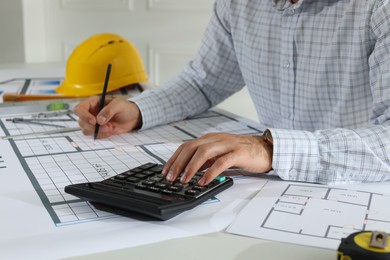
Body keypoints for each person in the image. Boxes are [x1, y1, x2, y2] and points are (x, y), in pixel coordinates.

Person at [74, 0, 390, 186]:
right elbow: (205, 80)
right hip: (264, 188)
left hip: (358, 188)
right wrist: (139, 110)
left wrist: (270, 149)